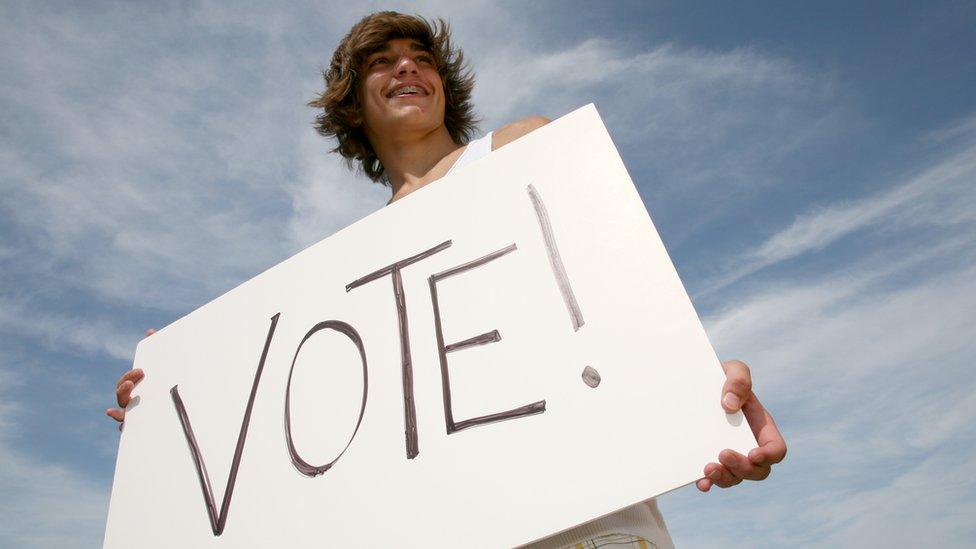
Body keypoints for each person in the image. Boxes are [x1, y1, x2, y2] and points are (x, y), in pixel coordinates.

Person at [107, 11, 786, 548]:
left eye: (421, 59)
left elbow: (613, 302)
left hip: (587, 528)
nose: (407, 66)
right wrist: (170, 426)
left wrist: (697, 389)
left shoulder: (519, 147)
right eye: (382, 61)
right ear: (353, 103)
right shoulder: (343, 275)